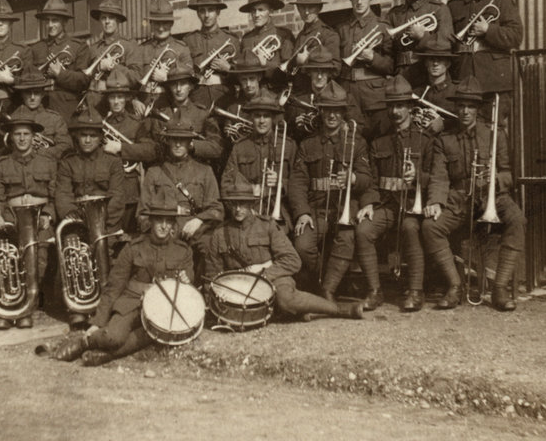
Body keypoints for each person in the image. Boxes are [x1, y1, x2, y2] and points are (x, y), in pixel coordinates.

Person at [44, 200, 195, 367]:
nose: (164, 226)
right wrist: (97, 323)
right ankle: (84, 343)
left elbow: (188, 284)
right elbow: (114, 286)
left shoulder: (183, 251)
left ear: (174, 224)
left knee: (154, 334)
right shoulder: (134, 247)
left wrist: (186, 280)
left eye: (168, 221)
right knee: (113, 337)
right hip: (132, 303)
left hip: (162, 309)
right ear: (151, 221)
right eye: (159, 220)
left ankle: (105, 356)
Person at [354, 76, 460, 313]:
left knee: (411, 228)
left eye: (401, 105)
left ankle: (415, 290)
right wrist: (369, 203)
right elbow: (370, 179)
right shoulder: (378, 142)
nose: (395, 111)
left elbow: (436, 176)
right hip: (387, 205)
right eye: (391, 105)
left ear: (411, 108)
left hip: (414, 205)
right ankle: (374, 290)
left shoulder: (425, 140)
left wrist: (417, 180)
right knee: (363, 230)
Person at [421, 77, 525, 311]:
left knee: (517, 220)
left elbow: (509, 174)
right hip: (459, 201)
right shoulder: (445, 140)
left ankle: (499, 287)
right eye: (461, 106)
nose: (466, 111)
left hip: (493, 198)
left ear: (477, 109)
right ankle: (455, 286)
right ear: (456, 108)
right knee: (430, 227)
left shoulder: (494, 134)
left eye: (470, 106)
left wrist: (493, 180)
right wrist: (436, 201)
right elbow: (439, 176)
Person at [204, 177, 364, 322]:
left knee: (285, 301)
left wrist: (262, 273)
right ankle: (303, 311)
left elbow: (293, 261)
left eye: (243, 203)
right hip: (241, 285)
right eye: (233, 204)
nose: (238, 209)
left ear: (251, 203)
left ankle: (341, 310)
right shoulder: (219, 234)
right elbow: (213, 273)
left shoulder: (267, 226)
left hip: (274, 278)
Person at [285, 82, 375, 304]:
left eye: (337, 111)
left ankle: (327, 290)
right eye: (327, 110)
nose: (332, 116)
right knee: (302, 246)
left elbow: (367, 178)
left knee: (346, 239)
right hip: (316, 209)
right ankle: (330, 278)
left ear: (344, 112)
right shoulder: (308, 144)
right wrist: (302, 213)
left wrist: (353, 178)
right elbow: (297, 183)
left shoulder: (357, 142)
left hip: (345, 208)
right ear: (320, 111)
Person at [54, 105, 127, 326]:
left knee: (110, 254)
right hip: (78, 223)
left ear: (100, 138)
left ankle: (105, 307)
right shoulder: (67, 163)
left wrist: (102, 224)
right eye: (83, 136)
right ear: (76, 137)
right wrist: (76, 220)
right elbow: (63, 196)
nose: (87, 140)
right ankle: (79, 306)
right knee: (73, 250)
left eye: (92, 136)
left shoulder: (113, 162)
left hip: (106, 225)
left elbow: (117, 197)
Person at [0, 109, 58, 329]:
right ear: (11, 137)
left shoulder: (48, 162)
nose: (23, 138)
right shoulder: (1, 164)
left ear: (34, 137)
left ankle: (26, 306)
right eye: (18, 134)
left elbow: (55, 195)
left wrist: (48, 214)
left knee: (39, 257)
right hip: (11, 218)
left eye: (26, 134)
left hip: (40, 220)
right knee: (4, 258)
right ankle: (7, 307)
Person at [447, 0, 523, 129]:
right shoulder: (454, 5)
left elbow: (516, 36)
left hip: (493, 81)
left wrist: (488, 30)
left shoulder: (501, 0)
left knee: (494, 133)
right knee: (465, 133)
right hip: (464, 78)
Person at [138, 118, 223, 279]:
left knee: (210, 246)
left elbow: (217, 210)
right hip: (163, 233)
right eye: (174, 139)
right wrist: (161, 229)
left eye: (182, 140)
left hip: (195, 233)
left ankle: (204, 292)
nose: (178, 144)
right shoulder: (154, 172)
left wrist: (198, 220)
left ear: (190, 142)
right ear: (167, 141)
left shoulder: (205, 171)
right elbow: (142, 214)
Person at [337, 0, 393, 143]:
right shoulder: (342, 29)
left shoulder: (382, 27)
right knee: (352, 141)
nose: (359, 2)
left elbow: (392, 66)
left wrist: (372, 58)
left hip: (374, 96)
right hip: (349, 93)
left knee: (380, 142)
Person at [98, 66, 156, 233]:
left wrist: (120, 148)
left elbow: (150, 151)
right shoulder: (100, 124)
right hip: (106, 187)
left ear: (127, 99)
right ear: (107, 99)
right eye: (112, 97)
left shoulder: (136, 123)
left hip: (130, 189)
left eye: (120, 97)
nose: (116, 102)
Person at [220, 93, 293, 224]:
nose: (262, 120)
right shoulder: (239, 147)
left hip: (278, 212)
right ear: (251, 118)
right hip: (247, 212)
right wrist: (239, 210)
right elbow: (226, 185)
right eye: (257, 116)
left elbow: (299, 183)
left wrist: (280, 183)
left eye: (266, 116)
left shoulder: (288, 145)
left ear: (273, 119)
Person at [386, 0, 453, 85]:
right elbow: (388, 50)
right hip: (400, 74)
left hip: (426, 73)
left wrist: (423, 36)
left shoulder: (438, 9)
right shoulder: (394, 14)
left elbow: (446, 44)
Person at [127, 0, 193, 116]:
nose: (161, 28)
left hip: (169, 105)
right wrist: (134, 100)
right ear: (151, 24)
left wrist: (166, 78)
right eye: (157, 23)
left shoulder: (182, 48)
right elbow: (131, 80)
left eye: (165, 23)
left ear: (171, 23)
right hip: (143, 105)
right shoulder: (141, 49)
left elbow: (190, 81)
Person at [284, 45, 364, 143]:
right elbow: (290, 137)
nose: (320, 76)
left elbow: (359, 128)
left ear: (330, 73)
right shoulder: (299, 102)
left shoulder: (346, 98)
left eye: (324, 71)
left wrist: (342, 126)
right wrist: (297, 128)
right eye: (315, 71)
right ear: (309, 72)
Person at [29, 0, 89, 120]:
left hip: (67, 108)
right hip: (41, 106)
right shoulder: (36, 48)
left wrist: (60, 74)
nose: (50, 25)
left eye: (55, 20)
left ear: (65, 22)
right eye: (47, 21)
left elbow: (84, 81)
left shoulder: (78, 46)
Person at [147, 66, 224, 164]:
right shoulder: (160, 115)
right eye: (174, 85)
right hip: (167, 170)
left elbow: (216, 149)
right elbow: (153, 147)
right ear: (169, 87)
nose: (178, 89)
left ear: (191, 86)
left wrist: (190, 144)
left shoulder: (203, 114)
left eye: (183, 84)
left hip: (195, 171)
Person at [181, 0, 240, 107]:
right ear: (198, 13)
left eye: (211, 10)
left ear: (218, 12)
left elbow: (242, 78)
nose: (206, 15)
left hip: (223, 98)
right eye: (202, 10)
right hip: (197, 99)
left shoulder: (231, 39)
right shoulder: (189, 40)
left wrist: (228, 68)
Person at [286, 0, 340, 93]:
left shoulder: (329, 35)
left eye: (310, 7)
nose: (306, 12)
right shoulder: (301, 35)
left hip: (319, 93)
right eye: (302, 7)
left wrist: (305, 62)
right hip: (300, 93)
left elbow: (336, 69)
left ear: (319, 8)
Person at [9, 64, 72, 160]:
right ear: (22, 94)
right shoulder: (13, 118)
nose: (32, 97)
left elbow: (66, 146)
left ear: (43, 94)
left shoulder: (55, 119)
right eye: (28, 93)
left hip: (45, 166)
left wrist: (39, 152)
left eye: (37, 93)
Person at [81, 0, 137, 95]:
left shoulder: (129, 45)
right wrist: (98, 67)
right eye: (103, 18)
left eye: (111, 18)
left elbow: (136, 78)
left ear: (118, 20)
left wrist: (114, 66)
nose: (107, 21)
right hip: (96, 99)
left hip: (119, 98)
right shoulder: (93, 48)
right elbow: (84, 79)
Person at [237, 0, 294, 81]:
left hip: (273, 91)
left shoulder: (283, 35)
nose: (256, 15)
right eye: (253, 10)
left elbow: (289, 71)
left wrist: (265, 64)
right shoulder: (246, 39)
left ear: (270, 11)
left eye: (260, 10)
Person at [412, 33, 460, 135]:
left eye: (440, 59)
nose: (435, 63)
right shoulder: (417, 92)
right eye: (431, 59)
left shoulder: (457, 92)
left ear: (448, 64)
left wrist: (444, 124)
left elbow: (465, 121)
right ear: (425, 63)